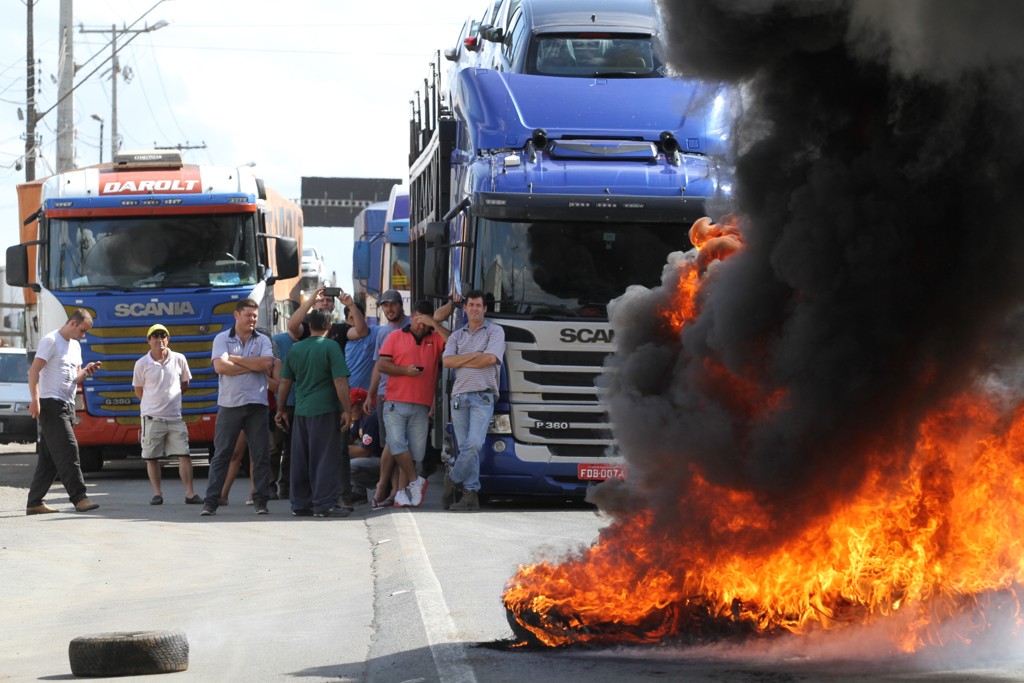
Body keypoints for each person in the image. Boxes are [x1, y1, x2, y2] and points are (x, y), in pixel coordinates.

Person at [201, 298, 275, 516]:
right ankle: (211, 502)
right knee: (222, 454)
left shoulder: (263, 339)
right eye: (248, 315)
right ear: (236, 315)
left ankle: (261, 501)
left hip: (256, 404)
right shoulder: (221, 338)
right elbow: (220, 367)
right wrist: (252, 366)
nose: (253, 319)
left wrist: (237, 359)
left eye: (255, 316)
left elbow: (267, 364)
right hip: (230, 404)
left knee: (260, 454)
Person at [25, 309, 102, 515]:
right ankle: (79, 498)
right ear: (73, 324)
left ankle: (34, 502)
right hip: (50, 404)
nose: (83, 335)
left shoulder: (75, 346)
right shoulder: (50, 341)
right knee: (69, 449)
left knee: (49, 459)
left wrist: (86, 371)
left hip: (66, 405)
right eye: (83, 330)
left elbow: (75, 378)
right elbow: (34, 371)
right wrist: (35, 401)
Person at [276, 308, 351, 518]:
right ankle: (324, 504)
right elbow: (340, 381)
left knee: (301, 458)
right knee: (325, 457)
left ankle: (300, 504)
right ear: (329, 326)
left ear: (309, 327)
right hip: (325, 410)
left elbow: (284, 382)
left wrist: (281, 409)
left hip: (301, 412)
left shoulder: (296, 349)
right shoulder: (331, 347)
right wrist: (347, 410)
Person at [376, 299, 449, 507]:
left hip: (421, 404)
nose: (421, 325)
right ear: (412, 316)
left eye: (425, 322)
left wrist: (435, 324)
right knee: (398, 444)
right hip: (394, 402)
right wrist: (405, 371)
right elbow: (382, 364)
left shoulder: (435, 338)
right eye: (418, 320)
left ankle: (400, 494)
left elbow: (455, 344)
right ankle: (416, 482)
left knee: (413, 454)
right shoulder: (395, 336)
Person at [442, 290, 505, 511]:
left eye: (479, 305)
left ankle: (453, 476)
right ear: (465, 308)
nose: (475, 308)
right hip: (459, 397)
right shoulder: (456, 336)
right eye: (471, 305)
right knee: (467, 448)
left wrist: (463, 359)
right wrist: (473, 355)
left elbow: (489, 359)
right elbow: (448, 361)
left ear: (485, 309)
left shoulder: (495, 331)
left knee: (474, 444)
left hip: (482, 396)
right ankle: (470, 495)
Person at [132, 323, 202, 505]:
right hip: (152, 417)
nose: (159, 340)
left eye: (163, 336)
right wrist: (153, 403)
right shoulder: (141, 364)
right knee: (152, 457)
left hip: (175, 417)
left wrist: (171, 399)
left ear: (168, 339)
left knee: (184, 454)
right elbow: (139, 391)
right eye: (155, 336)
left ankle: (189, 493)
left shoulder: (179, 359)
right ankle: (157, 493)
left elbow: (185, 384)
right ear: (149, 341)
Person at [347, 386, 382, 504]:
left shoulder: (371, 417)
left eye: (351, 407)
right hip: (373, 460)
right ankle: (358, 492)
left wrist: (341, 449)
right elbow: (349, 439)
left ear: (361, 404)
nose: (349, 411)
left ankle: (384, 485)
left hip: (383, 462)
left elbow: (365, 452)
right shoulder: (359, 418)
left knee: (350, 464)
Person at [343, 301, 375, 391]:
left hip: (368, 397)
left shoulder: (374, 333)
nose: (355, 322)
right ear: (346, 320)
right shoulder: (340, 339)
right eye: (351, 318)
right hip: (346, 395)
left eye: (358, 317)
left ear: (363, 318)